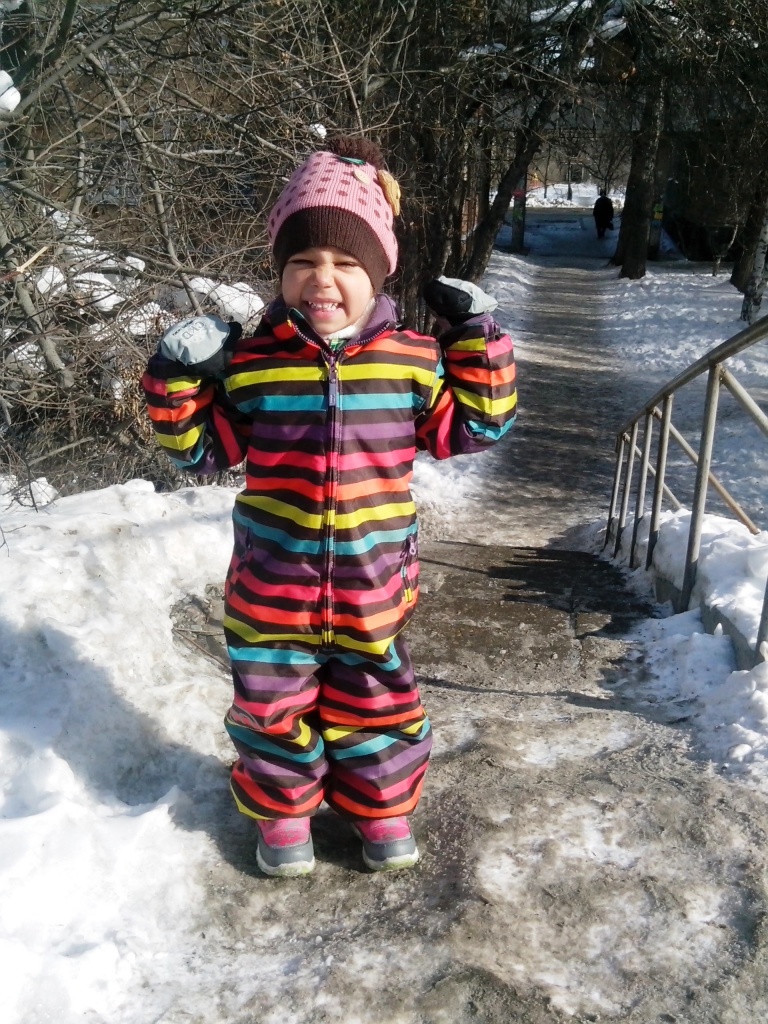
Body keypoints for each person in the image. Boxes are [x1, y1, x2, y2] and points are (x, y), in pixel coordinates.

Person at [142, 137, 517, 877]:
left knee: (377, 702)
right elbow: (201, 452)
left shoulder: (411, 358)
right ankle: (283, 816)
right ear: (281, 272)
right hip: (270, 591)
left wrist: (477, 338)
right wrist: (177, 377)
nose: (323, 278)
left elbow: (476, 426)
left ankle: (382, 810)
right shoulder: (253, 364)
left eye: (346, 262)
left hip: (373, 587)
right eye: (303, 261)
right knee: (269, 706)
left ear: (377, 273)